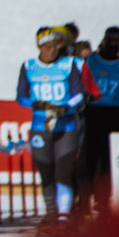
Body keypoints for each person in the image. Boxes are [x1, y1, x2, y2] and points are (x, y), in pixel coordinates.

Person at [20, 25, 90, 224]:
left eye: (55, 46)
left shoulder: (68, 65)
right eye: (48, 47)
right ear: (40, 47)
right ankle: (51, 213)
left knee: (64, 174)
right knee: (47, 174)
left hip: (66, 127)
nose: (53, 50)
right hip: (41, 128)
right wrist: (36, 104)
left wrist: (65, 108)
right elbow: (20, 97)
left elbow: (79, 94)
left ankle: (63, 217)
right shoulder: (28, 66)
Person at [78, 28, 119, 213]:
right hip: (91, 114)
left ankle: (103, 202)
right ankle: (83, 203)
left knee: (107, 163)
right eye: (110, 40)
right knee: (88, 160)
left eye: (116, 41)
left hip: (114, 116)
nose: (112, 44)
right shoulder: (90, 61)